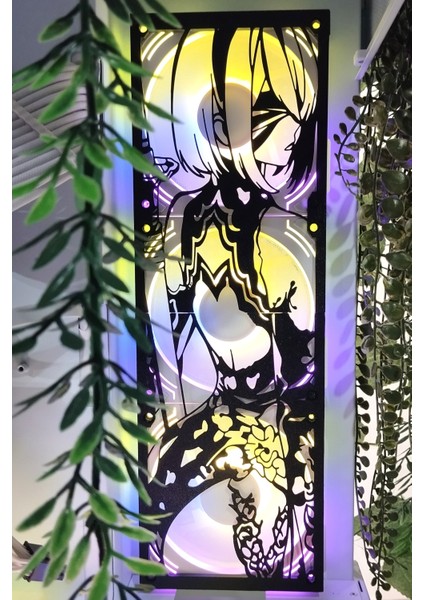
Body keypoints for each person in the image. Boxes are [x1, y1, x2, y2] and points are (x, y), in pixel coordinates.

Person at [138, 24, 321, 582]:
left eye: (295, 141)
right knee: (153, 502)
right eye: (282, 138)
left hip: (273, 422)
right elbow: (168, 328)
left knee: (288, 539)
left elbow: (303, 378)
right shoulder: (188, 222)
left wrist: (290, 458)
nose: (288, 154)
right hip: (218, 413)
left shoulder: (282, 240)